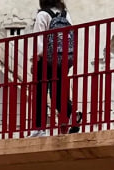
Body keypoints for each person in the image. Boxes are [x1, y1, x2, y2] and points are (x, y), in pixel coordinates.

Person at [30, 0, 82, 137]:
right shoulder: (65, 15)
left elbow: (39, 41)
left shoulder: (43, 15)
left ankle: (39, 128)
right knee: (58, 93)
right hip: (62, 60)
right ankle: (72, 114)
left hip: (46, 60)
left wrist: (35, 60)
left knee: (40, 92)